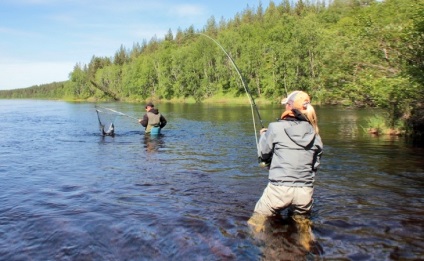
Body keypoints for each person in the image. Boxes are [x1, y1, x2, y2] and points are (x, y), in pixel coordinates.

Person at [248, 90, 323, 247]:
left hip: (278, 191)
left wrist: (264, 135)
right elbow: (314, 166)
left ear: (290, 107)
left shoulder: (275, 128)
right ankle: (306, 247)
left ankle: (247, 248)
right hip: (305, 192)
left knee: (256, 220)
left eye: (286, 104)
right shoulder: (316, 135)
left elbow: (264, 153)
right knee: (303, 227)